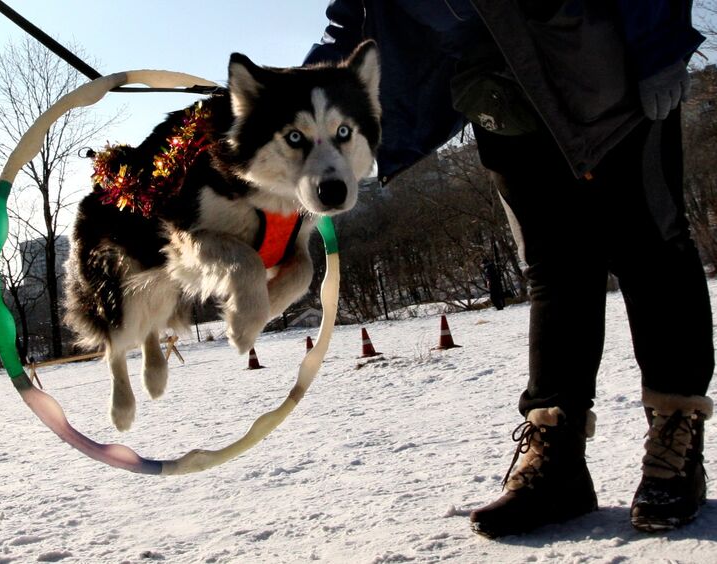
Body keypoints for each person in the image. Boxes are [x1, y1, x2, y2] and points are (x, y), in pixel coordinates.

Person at [305, 1, 714, 537]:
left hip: (602, 60)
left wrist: (659, 41)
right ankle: (556, 453)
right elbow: (357, 16)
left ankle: (675, 430)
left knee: (650, 247)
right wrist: (301, 88)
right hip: (497, 86)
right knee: (554, 265)